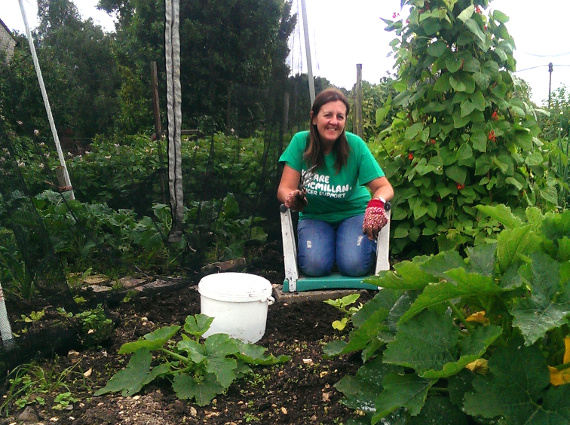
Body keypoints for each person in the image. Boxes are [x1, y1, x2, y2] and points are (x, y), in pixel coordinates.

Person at [277, 88, 394, 278]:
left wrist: (376, 203)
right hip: (315, 216)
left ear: (345, 121)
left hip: (353, 213)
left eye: (340, 116)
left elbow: (385, 187)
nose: (334, 121)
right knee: (314, 266)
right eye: (328, 115)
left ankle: (348, 250)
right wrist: (292, 198)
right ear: (314, 118)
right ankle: (330, 250)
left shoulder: (355, 145)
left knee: (355, 266)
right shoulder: (300, 142)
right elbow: (284, 189)